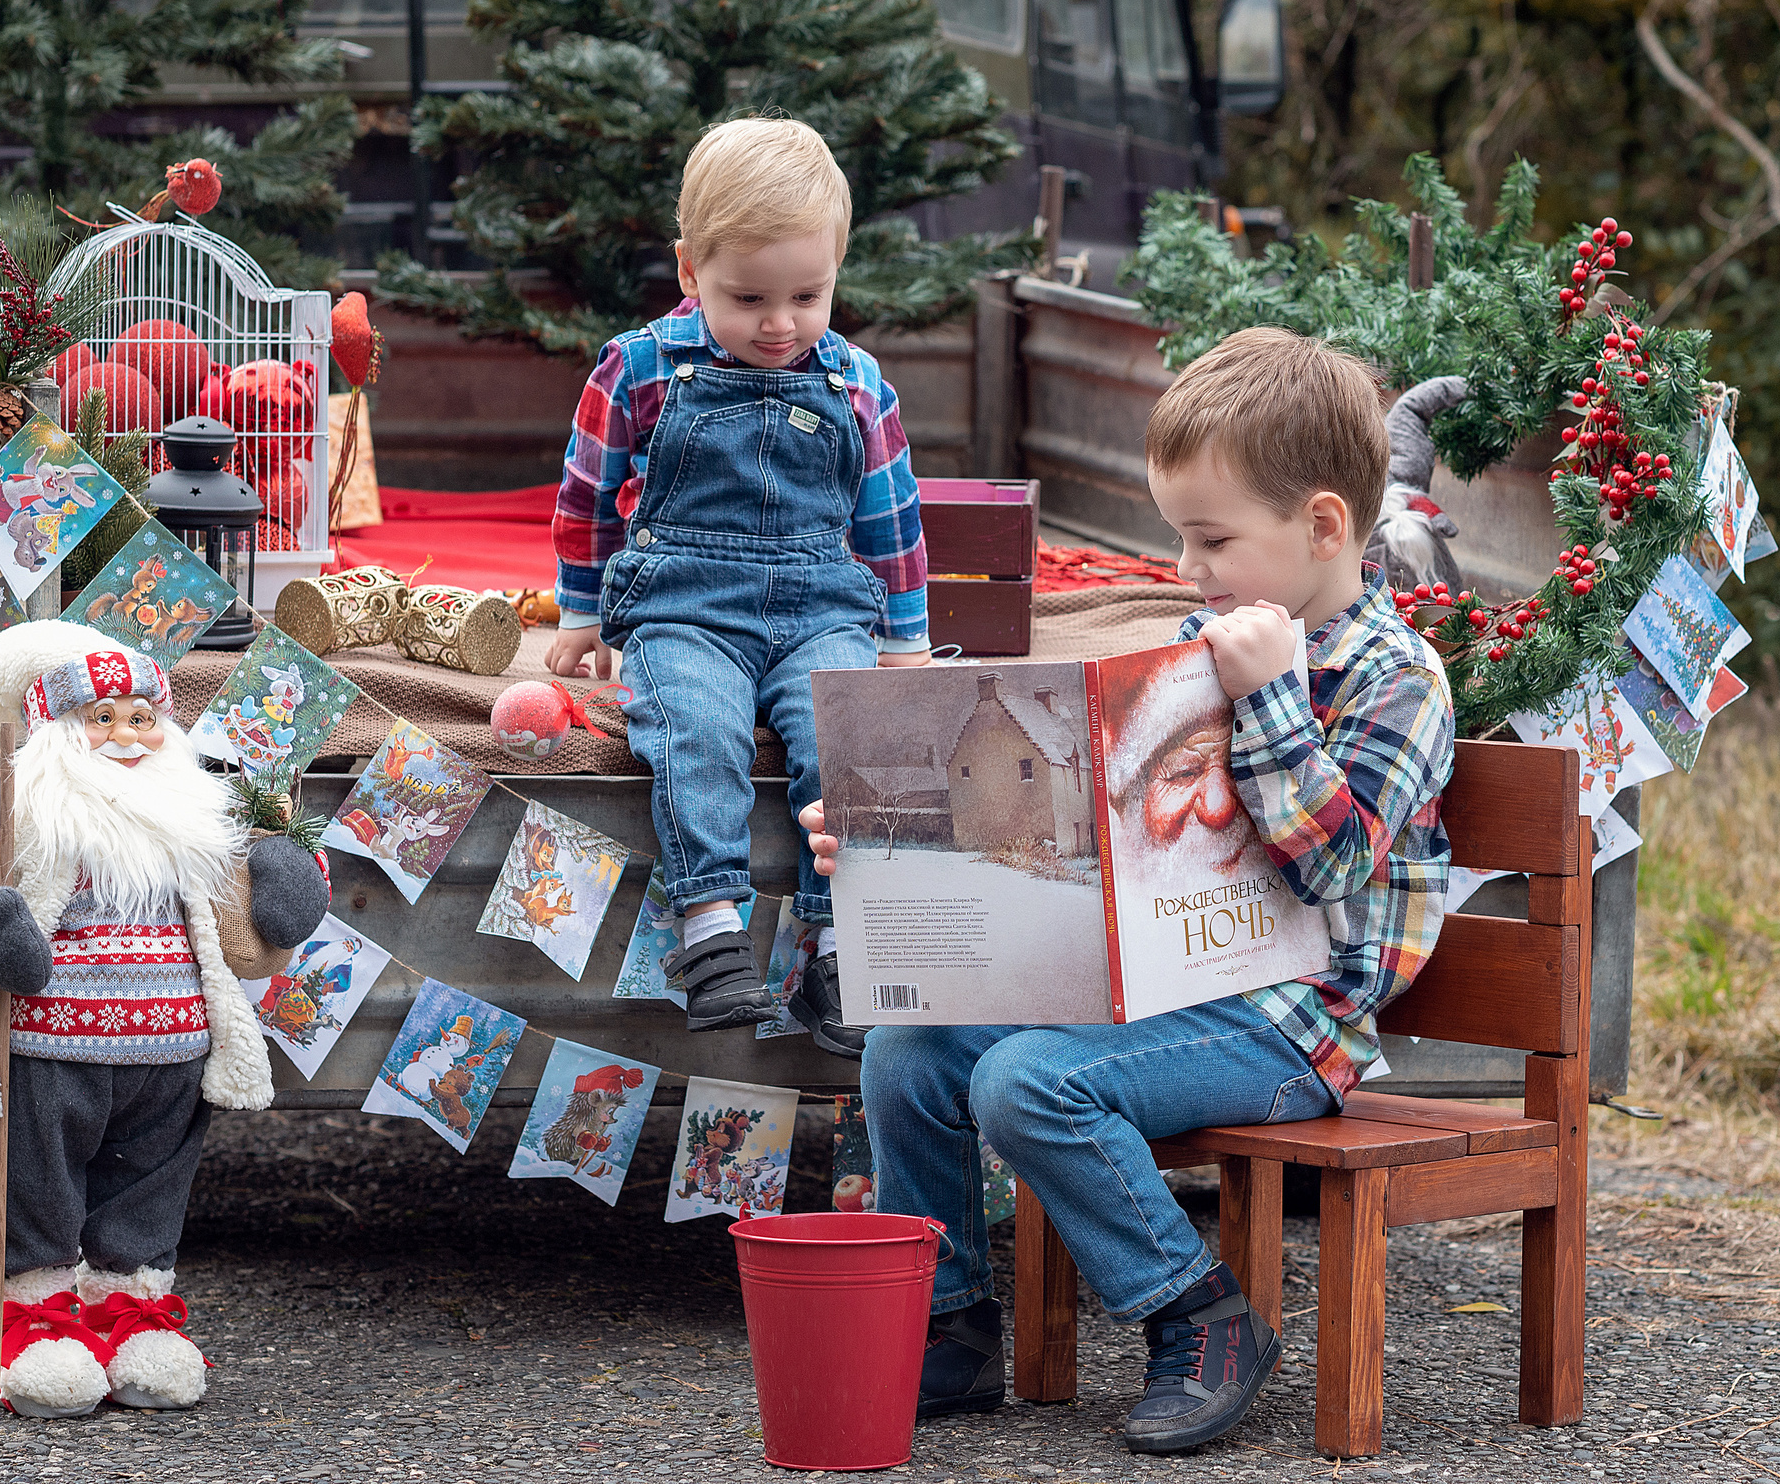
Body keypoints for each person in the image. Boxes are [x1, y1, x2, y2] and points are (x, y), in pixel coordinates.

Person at [805, 327, 1456, 1454]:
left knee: (1025, 1082)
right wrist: (890, 844)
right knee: (908, 1048)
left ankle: (1196, 1317)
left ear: (1321, 527)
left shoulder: (1396, 679)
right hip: (1160, 986)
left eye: (1212, 540)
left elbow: (1333, 863)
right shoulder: (1198, 650)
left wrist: (1269, 702)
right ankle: (950, 1322)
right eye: (1179, 539)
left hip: (1293, 1021)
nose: (1189, 571)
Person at [545, 117, 930, 1056]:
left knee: (843, 739)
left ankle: (840, 945)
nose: (780, 323)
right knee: (697, 732)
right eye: (748, 296)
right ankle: (713, 937)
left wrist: (906, 640)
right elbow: (589, 488)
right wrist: (582, 609)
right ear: (689, 272)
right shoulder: (641, 365)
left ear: (837, 271)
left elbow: (888, 512)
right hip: (685, 606)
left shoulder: (851, 381)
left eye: (808, 295)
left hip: (819, 609)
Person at [0, 622, 330, 1417]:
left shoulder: (195, 821)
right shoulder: (9, 820)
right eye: (102, 719)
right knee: (33, 1190)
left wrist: (286, 886)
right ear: (58, 731)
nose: (125, 737)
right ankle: (29, 1325)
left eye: (141, 719)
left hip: (171, 1057)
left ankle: (130, 1318)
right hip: (42, 1052)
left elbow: (242, 930)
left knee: (146, 1197)